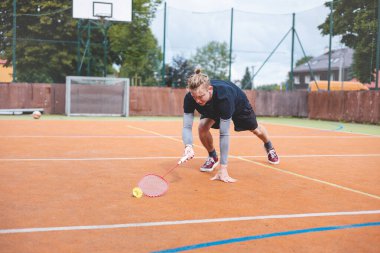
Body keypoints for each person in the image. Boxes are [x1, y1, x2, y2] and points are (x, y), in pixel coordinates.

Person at [178, 68, 279, 183]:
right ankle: (212, 156)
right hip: (213, 106)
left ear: (209, 89)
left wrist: (223, 168)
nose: (197, 101)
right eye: (194, 96)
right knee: (202, 127)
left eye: (200, 96)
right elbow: (186, 127)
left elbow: (224, 133)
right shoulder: (191, 98)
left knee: (256, 130)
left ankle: (269, 147)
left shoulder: (224, 96)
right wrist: (188, 146)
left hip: (238, 105)